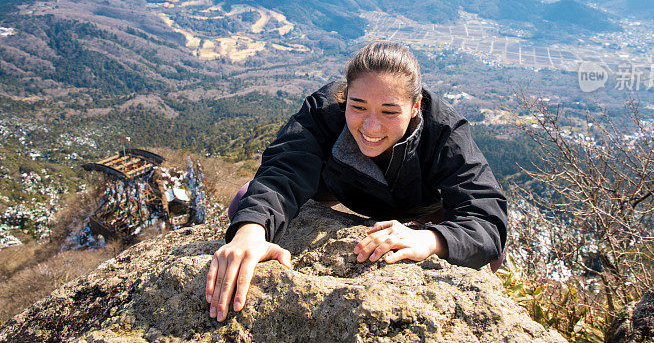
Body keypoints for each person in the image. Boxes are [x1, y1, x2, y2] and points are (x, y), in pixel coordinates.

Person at [206, 42, 507, 322]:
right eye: (358, 106)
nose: (371, 126)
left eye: (389, 111)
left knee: (489, 253)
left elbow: (487, 217)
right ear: (345, 95)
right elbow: (284, 169)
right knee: (245, 200)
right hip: (342, 188)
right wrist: (250, 231)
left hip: (421, 207)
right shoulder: (324, 111)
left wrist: (431, 239)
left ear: (416, 106)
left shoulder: (444, 132)